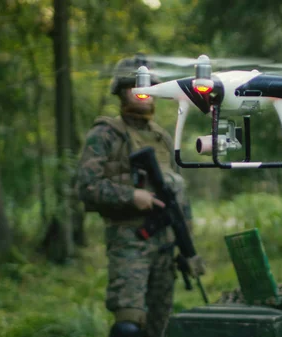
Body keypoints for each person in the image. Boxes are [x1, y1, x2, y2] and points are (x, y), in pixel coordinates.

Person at [76, 55, 205, 337]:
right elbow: (86, 187)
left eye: (149, 87)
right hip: (129, 242)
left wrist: (188, 247)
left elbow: (177, 194)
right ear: (122, 92)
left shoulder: (161, 138)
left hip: (165, 245)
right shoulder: (106, 134)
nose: (143, 93)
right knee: (128, 325)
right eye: (135, 86)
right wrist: (132, 196)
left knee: (158, 325)